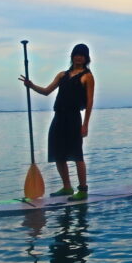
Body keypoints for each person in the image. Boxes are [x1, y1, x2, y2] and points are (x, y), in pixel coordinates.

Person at [19, 43, 95, 200]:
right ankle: (67, 187)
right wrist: (31, 85)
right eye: (77, 54)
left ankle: (82, 190)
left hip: (74, 118)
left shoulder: (88, 76)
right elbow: (47, 91)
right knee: (58, 154)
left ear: (86, 58)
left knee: (77, 155)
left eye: (82, 55)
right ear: (72, 56)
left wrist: (85, 124)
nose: (79, 57)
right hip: (58, 117)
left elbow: (89, 102)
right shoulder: (62, 75)